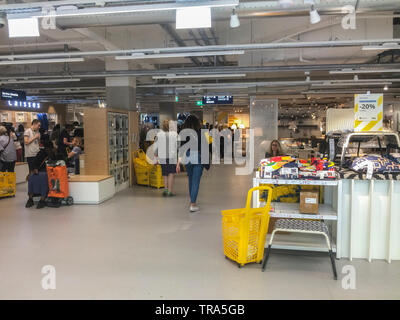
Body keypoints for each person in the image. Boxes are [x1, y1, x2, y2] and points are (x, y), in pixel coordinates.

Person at [176, 115, 209, 213]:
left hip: (187, 156)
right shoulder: (201, 133)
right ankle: (193, 204)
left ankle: (192, 201)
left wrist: (178, 163)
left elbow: (181, 149)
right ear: (197, 123)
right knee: (195, 181)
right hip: (198, 156)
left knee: (190, 179)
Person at [25, 141, 56, 209]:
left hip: (42, 173)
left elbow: (34, 162)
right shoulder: (46, 154)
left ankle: (36, 200)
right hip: (42, 172)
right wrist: (35, 168)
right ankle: (36, 199)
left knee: (37, 179)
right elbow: (34, 163)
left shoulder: (47, 153)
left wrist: (35, 168)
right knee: (37, 179)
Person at [157, 119, 178, 197]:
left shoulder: (159, 134)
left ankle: (165, 190)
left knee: (165, 173)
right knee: (171, 173)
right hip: (171, 156)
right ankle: (170, 191)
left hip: (162, 156)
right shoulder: (174, 134)